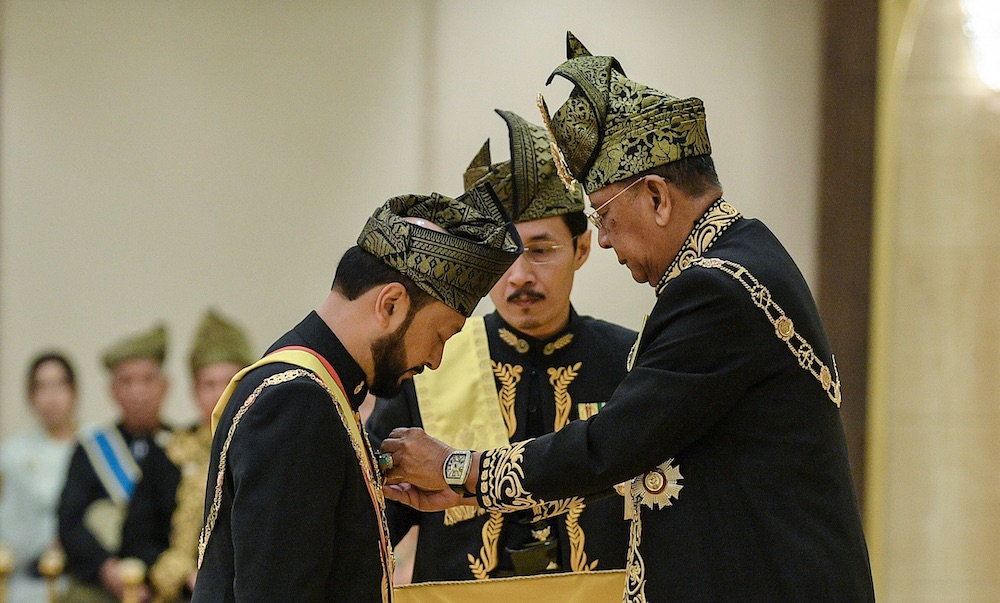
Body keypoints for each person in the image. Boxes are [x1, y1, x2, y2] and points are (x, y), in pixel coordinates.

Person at [379, 32, 876, 602]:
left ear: (659, 197)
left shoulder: (715, 290)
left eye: (605, 215)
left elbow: (609, 446)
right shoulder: (744, 258)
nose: (608, 240)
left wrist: (458, 469)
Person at [191, 184, 522, 603]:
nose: (436, 360)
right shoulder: (298, 402)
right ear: (391, 304)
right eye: (441, 335)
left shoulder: (316, 389)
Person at [366, 110, 635, 582]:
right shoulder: (432, 360)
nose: (519, 276)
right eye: (503, 256)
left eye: (541, 249)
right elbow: (376, 515)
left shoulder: (630, 361)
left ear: (583, 248)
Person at [119, 309, 254, 602]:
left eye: (229, 381)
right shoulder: (166, 455)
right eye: (209, 384)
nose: (220, 393)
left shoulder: (265, 451)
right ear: (194, 391)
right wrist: (184, 575)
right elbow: (137, 539)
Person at [59, 323, 171, 603]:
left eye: (147, 379)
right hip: (102, 583)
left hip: (167, 584)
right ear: (112, 390)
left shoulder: (181, 448)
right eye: (127, 381)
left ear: (165, 386)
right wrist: (107, 568)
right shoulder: (90, 450)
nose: (138, 392)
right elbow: (70, 523)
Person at [0, 352, 79, 602]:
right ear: (31, 396)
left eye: (59, 385)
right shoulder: (12, 453)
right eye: (42, 387)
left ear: (73, 391)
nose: (51, 397)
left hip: (82, 579)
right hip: (25, 579)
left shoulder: (95, 444)